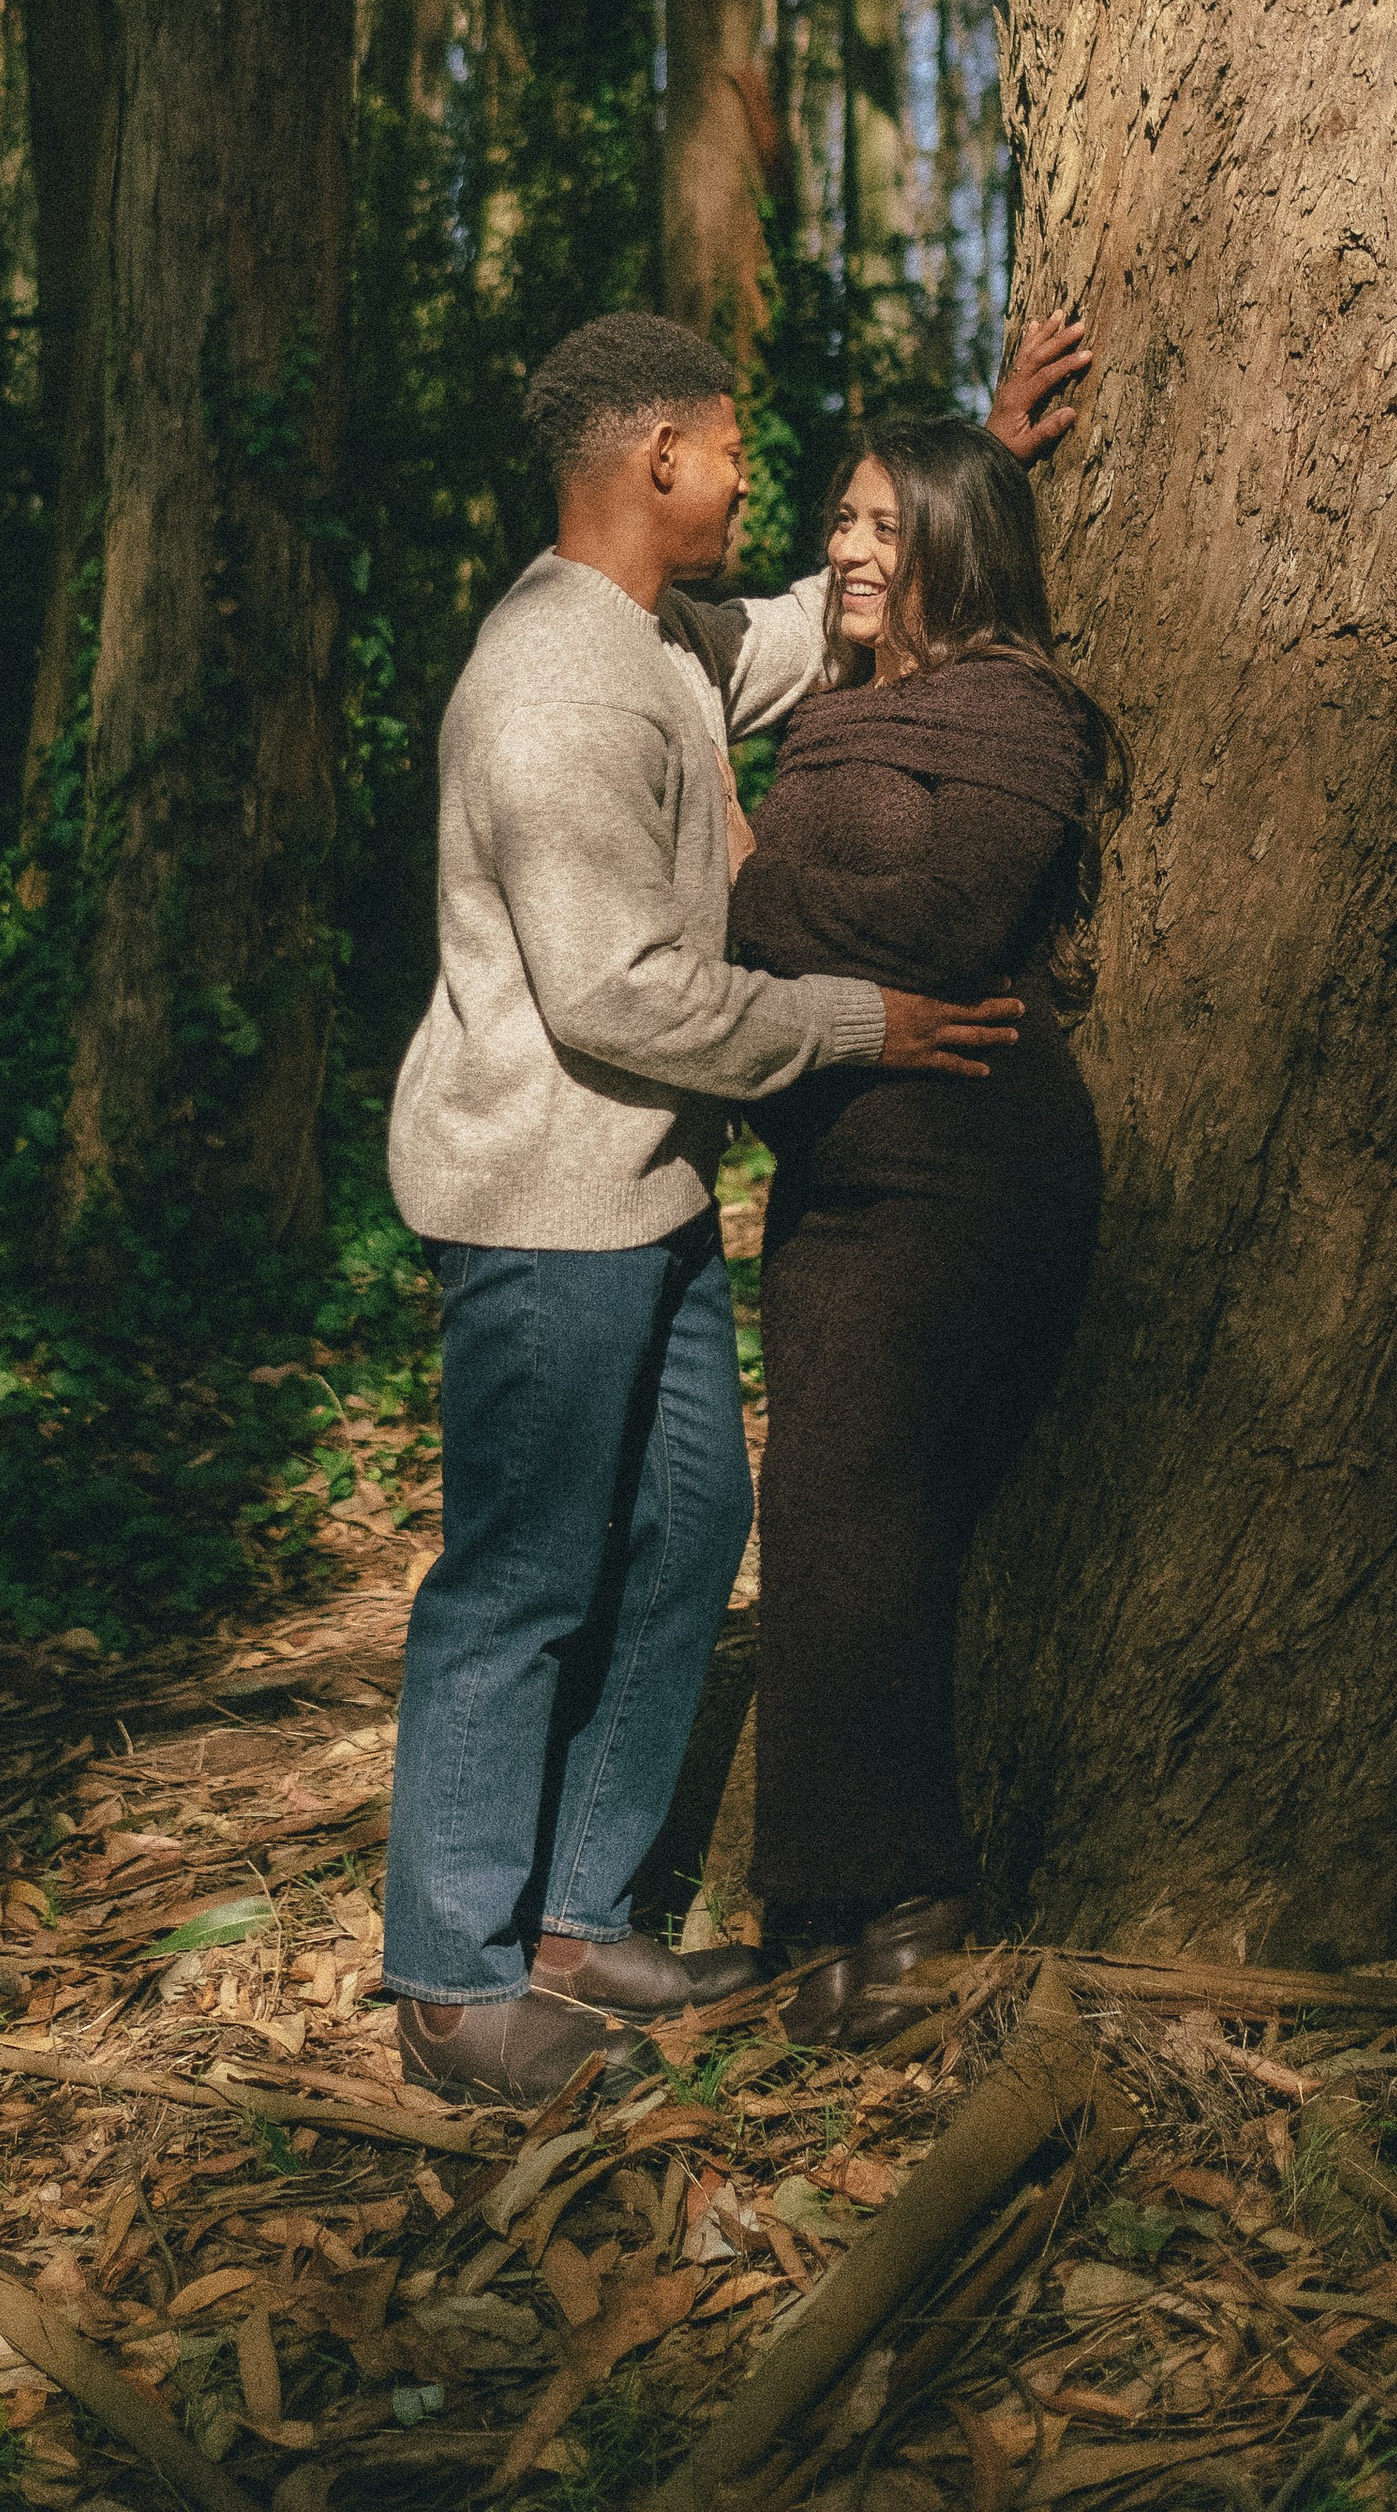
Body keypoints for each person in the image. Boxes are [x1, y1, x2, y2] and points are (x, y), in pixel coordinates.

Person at [379, 308, 1086, 2105]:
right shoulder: (551, 685)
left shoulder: (660, 637)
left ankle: (574, 1917)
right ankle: (460, 1985)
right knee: (522, 1576)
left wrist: (982, 463)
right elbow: (616, 989)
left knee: (689, 1535)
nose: (760, 480)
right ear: (656, 465)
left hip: (654, 1186)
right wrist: (865, 1020)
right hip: (548, 1200)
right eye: (731, 446)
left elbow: (804, 626)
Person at [728, 416, 1126, 2048]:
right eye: (837, 520)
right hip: (838, 1167)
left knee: (864, 1512)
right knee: (826, 1517)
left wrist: (740, 885)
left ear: (961, 543)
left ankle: (917, 1901)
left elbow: (951, 925)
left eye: (886, 526)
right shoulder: (834, 711)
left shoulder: (1022, 712)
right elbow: (844, 937)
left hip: (972, 1158)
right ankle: (835, 1891)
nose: (846, 548)